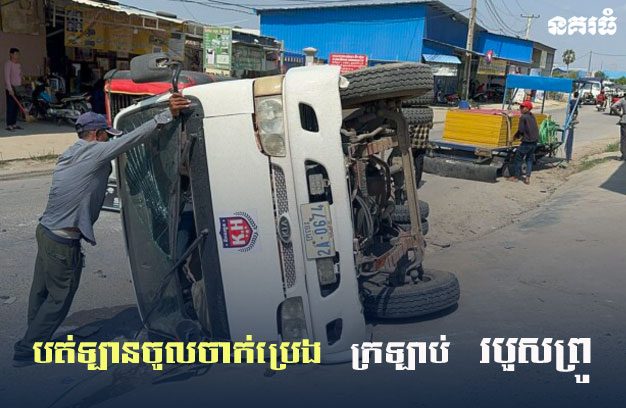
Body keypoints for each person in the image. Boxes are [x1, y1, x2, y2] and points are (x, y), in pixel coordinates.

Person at [12, 92, 191, 367]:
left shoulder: (72, 153)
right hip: (62, 242)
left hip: (46, 232)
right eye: (107, 135)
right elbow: (130, 140)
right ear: (95, 135)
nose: (109, 140)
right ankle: (28, 349)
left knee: (42, 291)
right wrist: (165, 115)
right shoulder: (94, 152)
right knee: (60, 298)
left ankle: (35, 336)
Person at [508, 101, 539, 185]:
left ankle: (516, 177)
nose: (520, 109)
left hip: (527, 142)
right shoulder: (532, 116)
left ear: (528, 108)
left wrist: (514, 137)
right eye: (520, 107)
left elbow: (521, 130)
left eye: (522, 107)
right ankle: (527, 177)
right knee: (529, 159)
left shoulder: (523, 117)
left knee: (518, 158)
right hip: (534, 142)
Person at [4, 48, 22, 131]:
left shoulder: (18, 65)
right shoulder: (8, 64)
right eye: (16, 54)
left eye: (18, 54)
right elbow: (7, 77)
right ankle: (9, 125)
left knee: (16, 107)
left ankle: (14, 123)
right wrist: (10, 89)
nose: (17, 55)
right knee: (11, 107)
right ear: (11, 54)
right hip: (11, 88)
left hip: (18, 88)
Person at [611, 96, 626, 160]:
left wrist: (619, 114)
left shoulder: (623, 100)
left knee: (624, 139)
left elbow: (613, 106)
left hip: (624, 120)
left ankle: (624, 155)